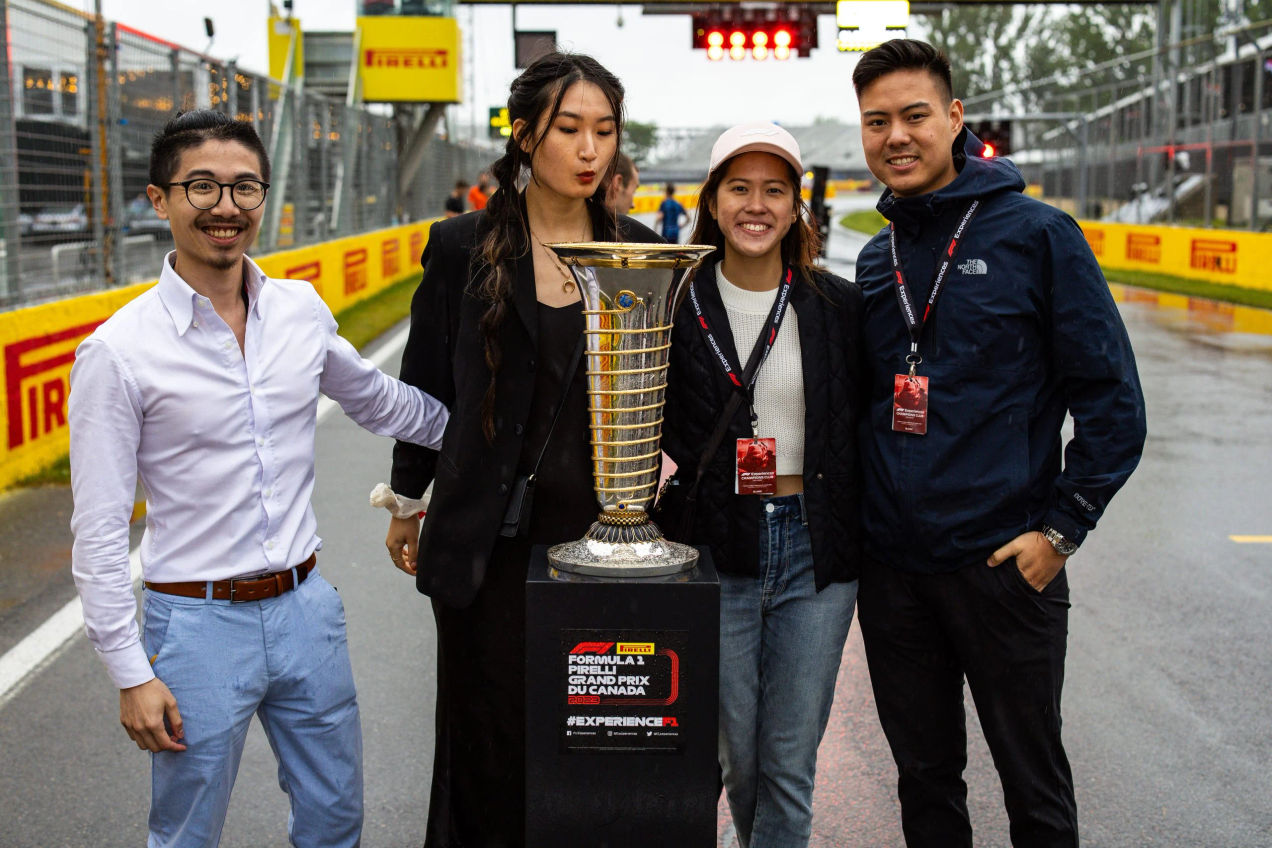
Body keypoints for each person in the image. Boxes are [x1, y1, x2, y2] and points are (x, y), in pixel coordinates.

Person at [67, 110, 449, 846]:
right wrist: (129, 672)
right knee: (187, 833)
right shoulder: (117, 352)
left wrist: (491, 436)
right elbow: (100, 530)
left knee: (336, 816)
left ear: (264, 198)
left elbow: (379, 399)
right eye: (201, 186)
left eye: (245, 187)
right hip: (195, 627)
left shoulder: (299, 311)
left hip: (306, 612)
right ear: (160, 199)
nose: (225, 207)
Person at [851, 39, 1147, 847]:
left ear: (953, 118)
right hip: (895, 576)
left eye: (914, 115)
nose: (896, 137)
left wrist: (1059, 532)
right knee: (924, 781)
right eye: (877, 122)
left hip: (1003, 566)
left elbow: (1113, 400)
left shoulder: (1040, 235)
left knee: (1033, 785)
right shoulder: (877, 259)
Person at [383, 52, 661, 847]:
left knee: (595, 741)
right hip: (488, 541)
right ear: (524, 134)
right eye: (568, 128)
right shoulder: (461, 245)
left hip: (603, 541)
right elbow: (426, 386)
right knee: (488, 746)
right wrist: (408, 500)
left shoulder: (639, 252)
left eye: (604, 131)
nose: (588, 151)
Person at [661, 122, 865, 848]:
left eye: (774, 190)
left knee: (787, 761)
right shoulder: (674, 304)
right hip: (716, 553)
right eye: (739, 188)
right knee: (738, 758)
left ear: (796, 205)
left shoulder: (837, 306)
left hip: (815, 551)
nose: (757, 205)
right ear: (712, 202)